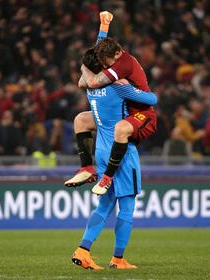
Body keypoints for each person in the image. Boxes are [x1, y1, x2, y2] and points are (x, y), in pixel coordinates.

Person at [71, 48, 158, 270]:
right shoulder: (117, 89)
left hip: (100, 149)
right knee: (127, 206)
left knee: (104, 205)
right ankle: (118, 259)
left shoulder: (90, 87)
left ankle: (83, 250)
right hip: (121, 152)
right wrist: (128, 87)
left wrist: (102, 29)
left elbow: (91, 63)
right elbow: (151, 99)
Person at [65, 11, 157, 195]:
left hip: (140, 112)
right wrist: (104, 26)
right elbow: (98, 52)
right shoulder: (111, 58)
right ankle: (87, 168)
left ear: (117, 53)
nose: (106, 67)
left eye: (107, 63)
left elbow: (90, 82)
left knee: (121, 129)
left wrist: (84, 67)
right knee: (81, 120)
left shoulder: (123, 64)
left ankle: (107, 176)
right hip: (124, 109)